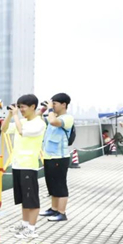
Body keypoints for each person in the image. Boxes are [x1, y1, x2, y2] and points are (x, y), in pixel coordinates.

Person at [1, 94, 46, 240]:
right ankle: (24, 224)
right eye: (19, 107)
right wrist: (10, 115)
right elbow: (4, 129)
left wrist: (15, 116)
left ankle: (31, 229)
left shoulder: (39, 123)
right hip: (17, 164)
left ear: (33, 107)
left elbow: (22, 132)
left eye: (23, 107)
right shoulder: (21, 121)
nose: (20, 110)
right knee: (24, 198)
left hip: (29, 165)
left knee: (31, 199)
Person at [40, 93, 74, 222]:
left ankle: (61, 212)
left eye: (54, 103)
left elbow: (53, 122)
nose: (52, 106)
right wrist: (43, 109)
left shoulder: (67, 118)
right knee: (52, 184)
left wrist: (49, 109)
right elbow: (39, 119)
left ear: (63, 104)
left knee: (60, 185)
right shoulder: (53, 116)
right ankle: (54, 209)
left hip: (60, 157)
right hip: (49, 156)